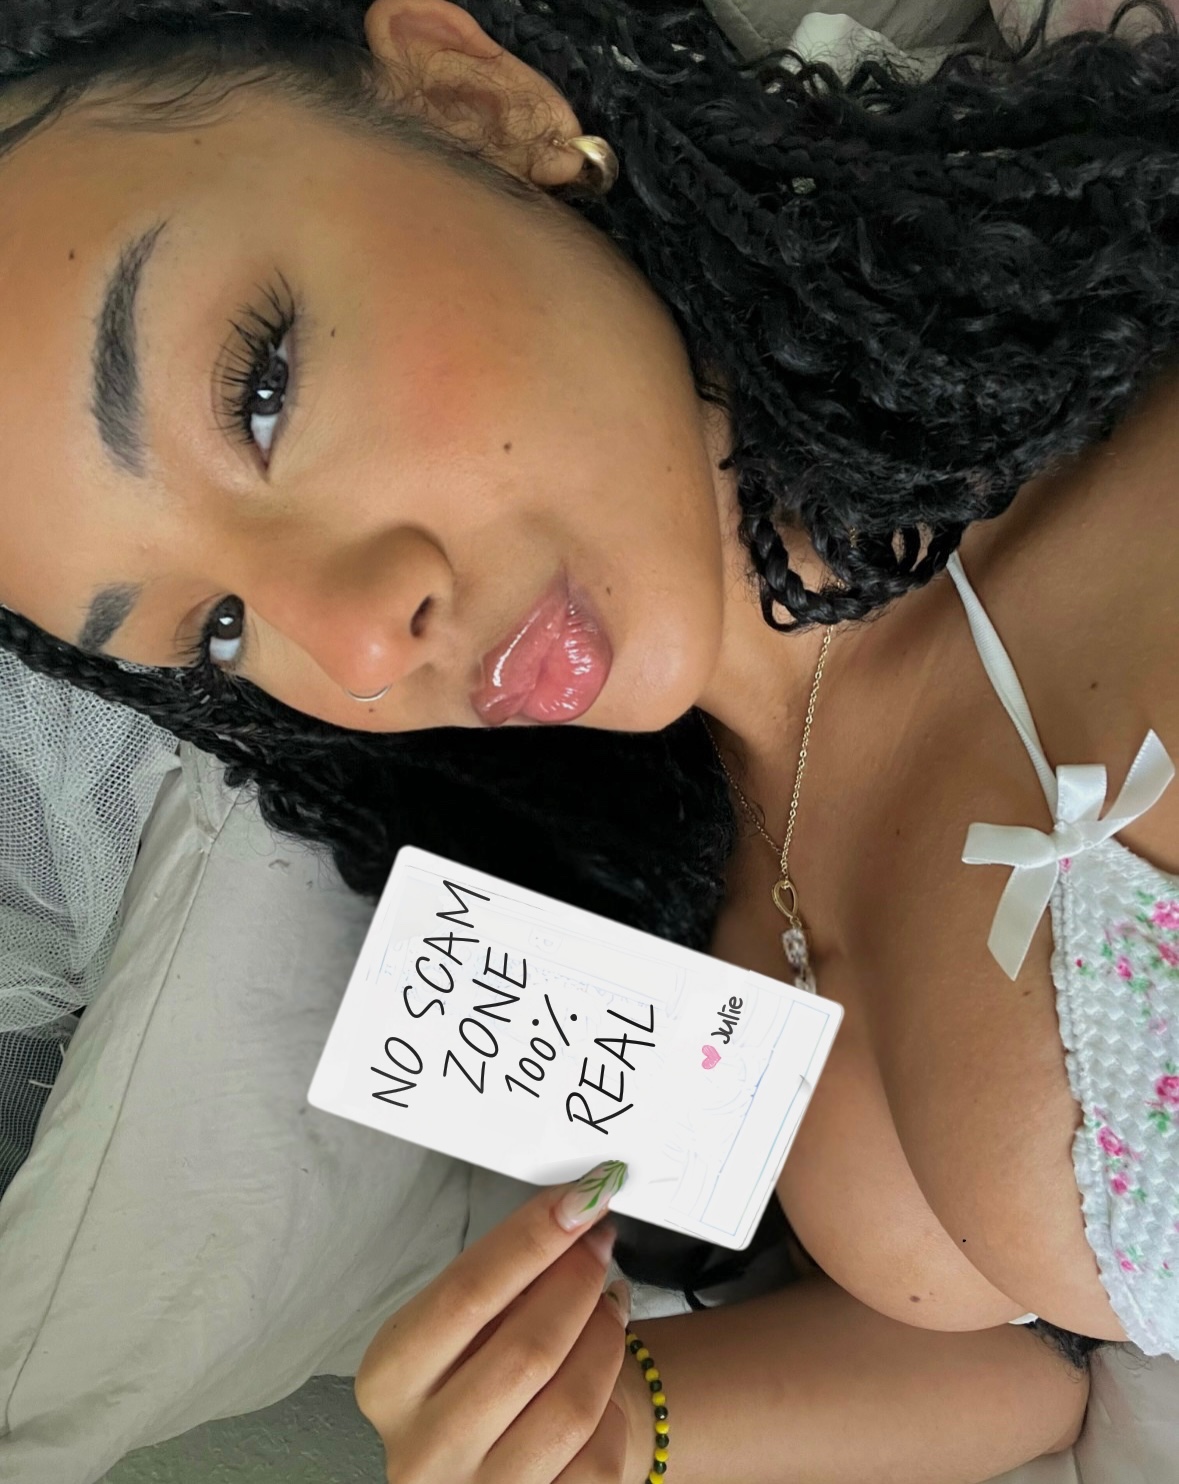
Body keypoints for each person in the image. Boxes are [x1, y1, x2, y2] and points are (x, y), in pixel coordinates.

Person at [1, 0, 1177, 1476]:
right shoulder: (692, 926)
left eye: (263, 392)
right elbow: (1049, 1363)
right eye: (220, 627)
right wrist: (622, 1430)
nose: (359, 645)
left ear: (476, 106)